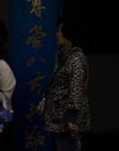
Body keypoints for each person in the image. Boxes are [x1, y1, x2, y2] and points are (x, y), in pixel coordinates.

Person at [42, 18, 91, 151]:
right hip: (59, 119)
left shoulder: (75, 59)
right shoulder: (65, 57)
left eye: (60, 31)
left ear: (70, 35)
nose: (57, 34)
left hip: (66, 123)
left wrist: (71, 119)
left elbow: (76, 91)